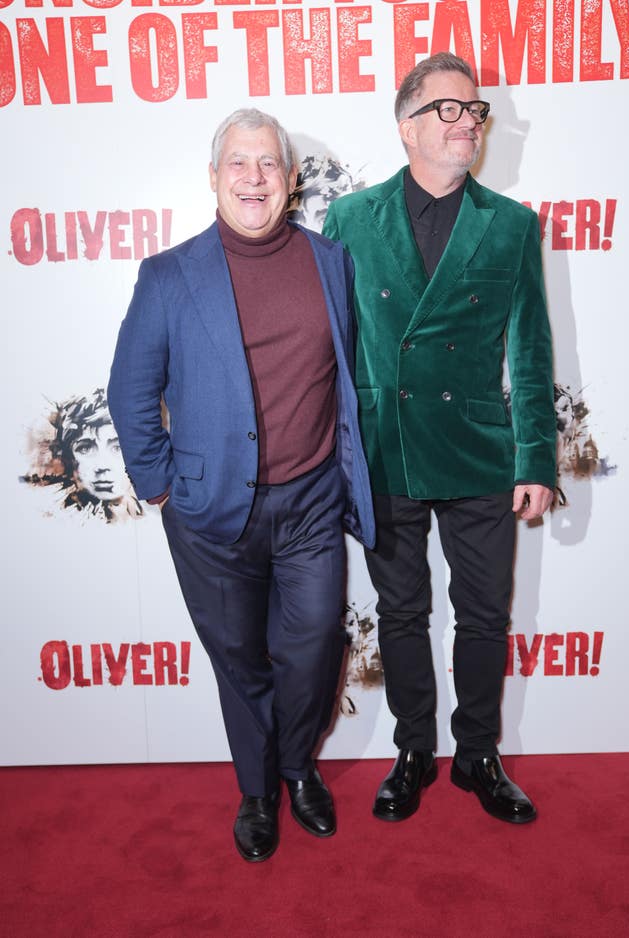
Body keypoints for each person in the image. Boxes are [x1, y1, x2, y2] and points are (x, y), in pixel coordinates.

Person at [108, 109, 375, 862]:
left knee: (314, 645)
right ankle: (258, 789)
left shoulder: (331, 261)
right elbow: (131, 390)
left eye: (268, 164)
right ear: (214, 177)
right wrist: (161, 485)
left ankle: (298, 768)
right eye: (239, 163)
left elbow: (347, 375)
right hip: (209, 513)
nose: (253, 177)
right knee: (240, 660)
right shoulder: (169, 275)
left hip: (312, 502)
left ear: (289, 181)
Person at [323, 52, 556, 825]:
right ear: (406, 127)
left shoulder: (513, 226)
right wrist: (337, 450)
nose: (468, 124)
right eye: (449, 110)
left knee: (486, 613)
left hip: (478, 449)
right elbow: (332, 342)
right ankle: (414, 748)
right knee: (401, 611)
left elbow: (529, 349)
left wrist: (535, 457)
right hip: (388, 445)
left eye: (476, 111)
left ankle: (479, 753)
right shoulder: (352, 219)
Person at [20, 388, 142, 523]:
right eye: (85, 449)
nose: (102, 466)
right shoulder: (51, 517)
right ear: (67, 458)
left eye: (117, 448)